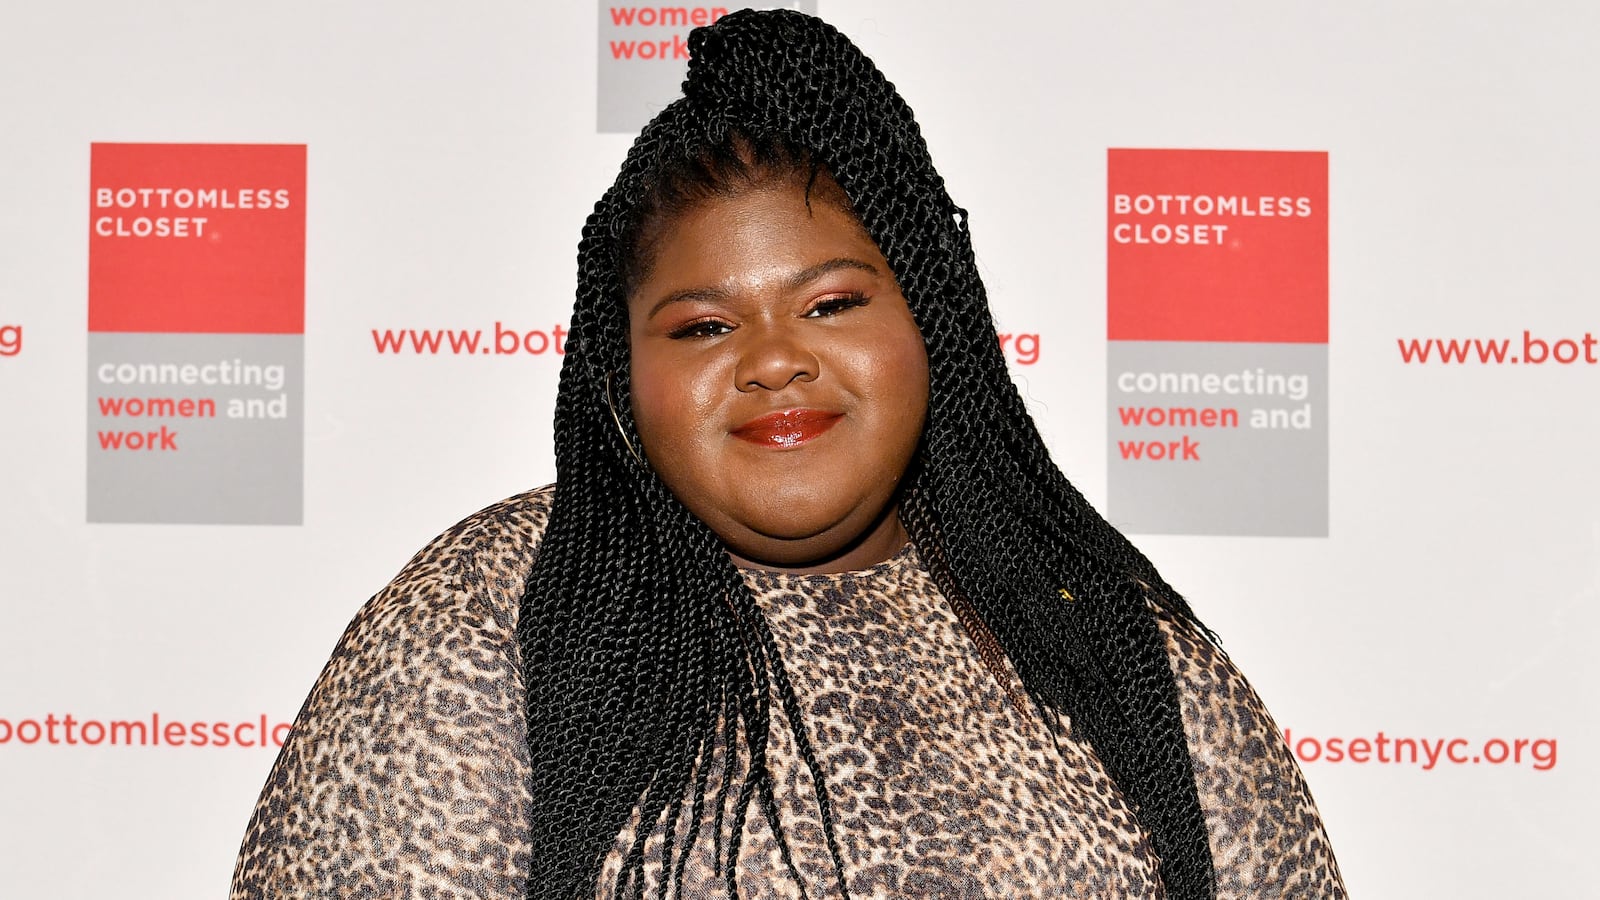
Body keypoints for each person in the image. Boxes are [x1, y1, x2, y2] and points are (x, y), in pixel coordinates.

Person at [231, 10, 1345, 899]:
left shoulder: (1105, 635)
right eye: (705, 326)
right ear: (623, 376)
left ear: (929, 323)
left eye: (831, 302)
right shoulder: (494, 611)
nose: (773, 361)